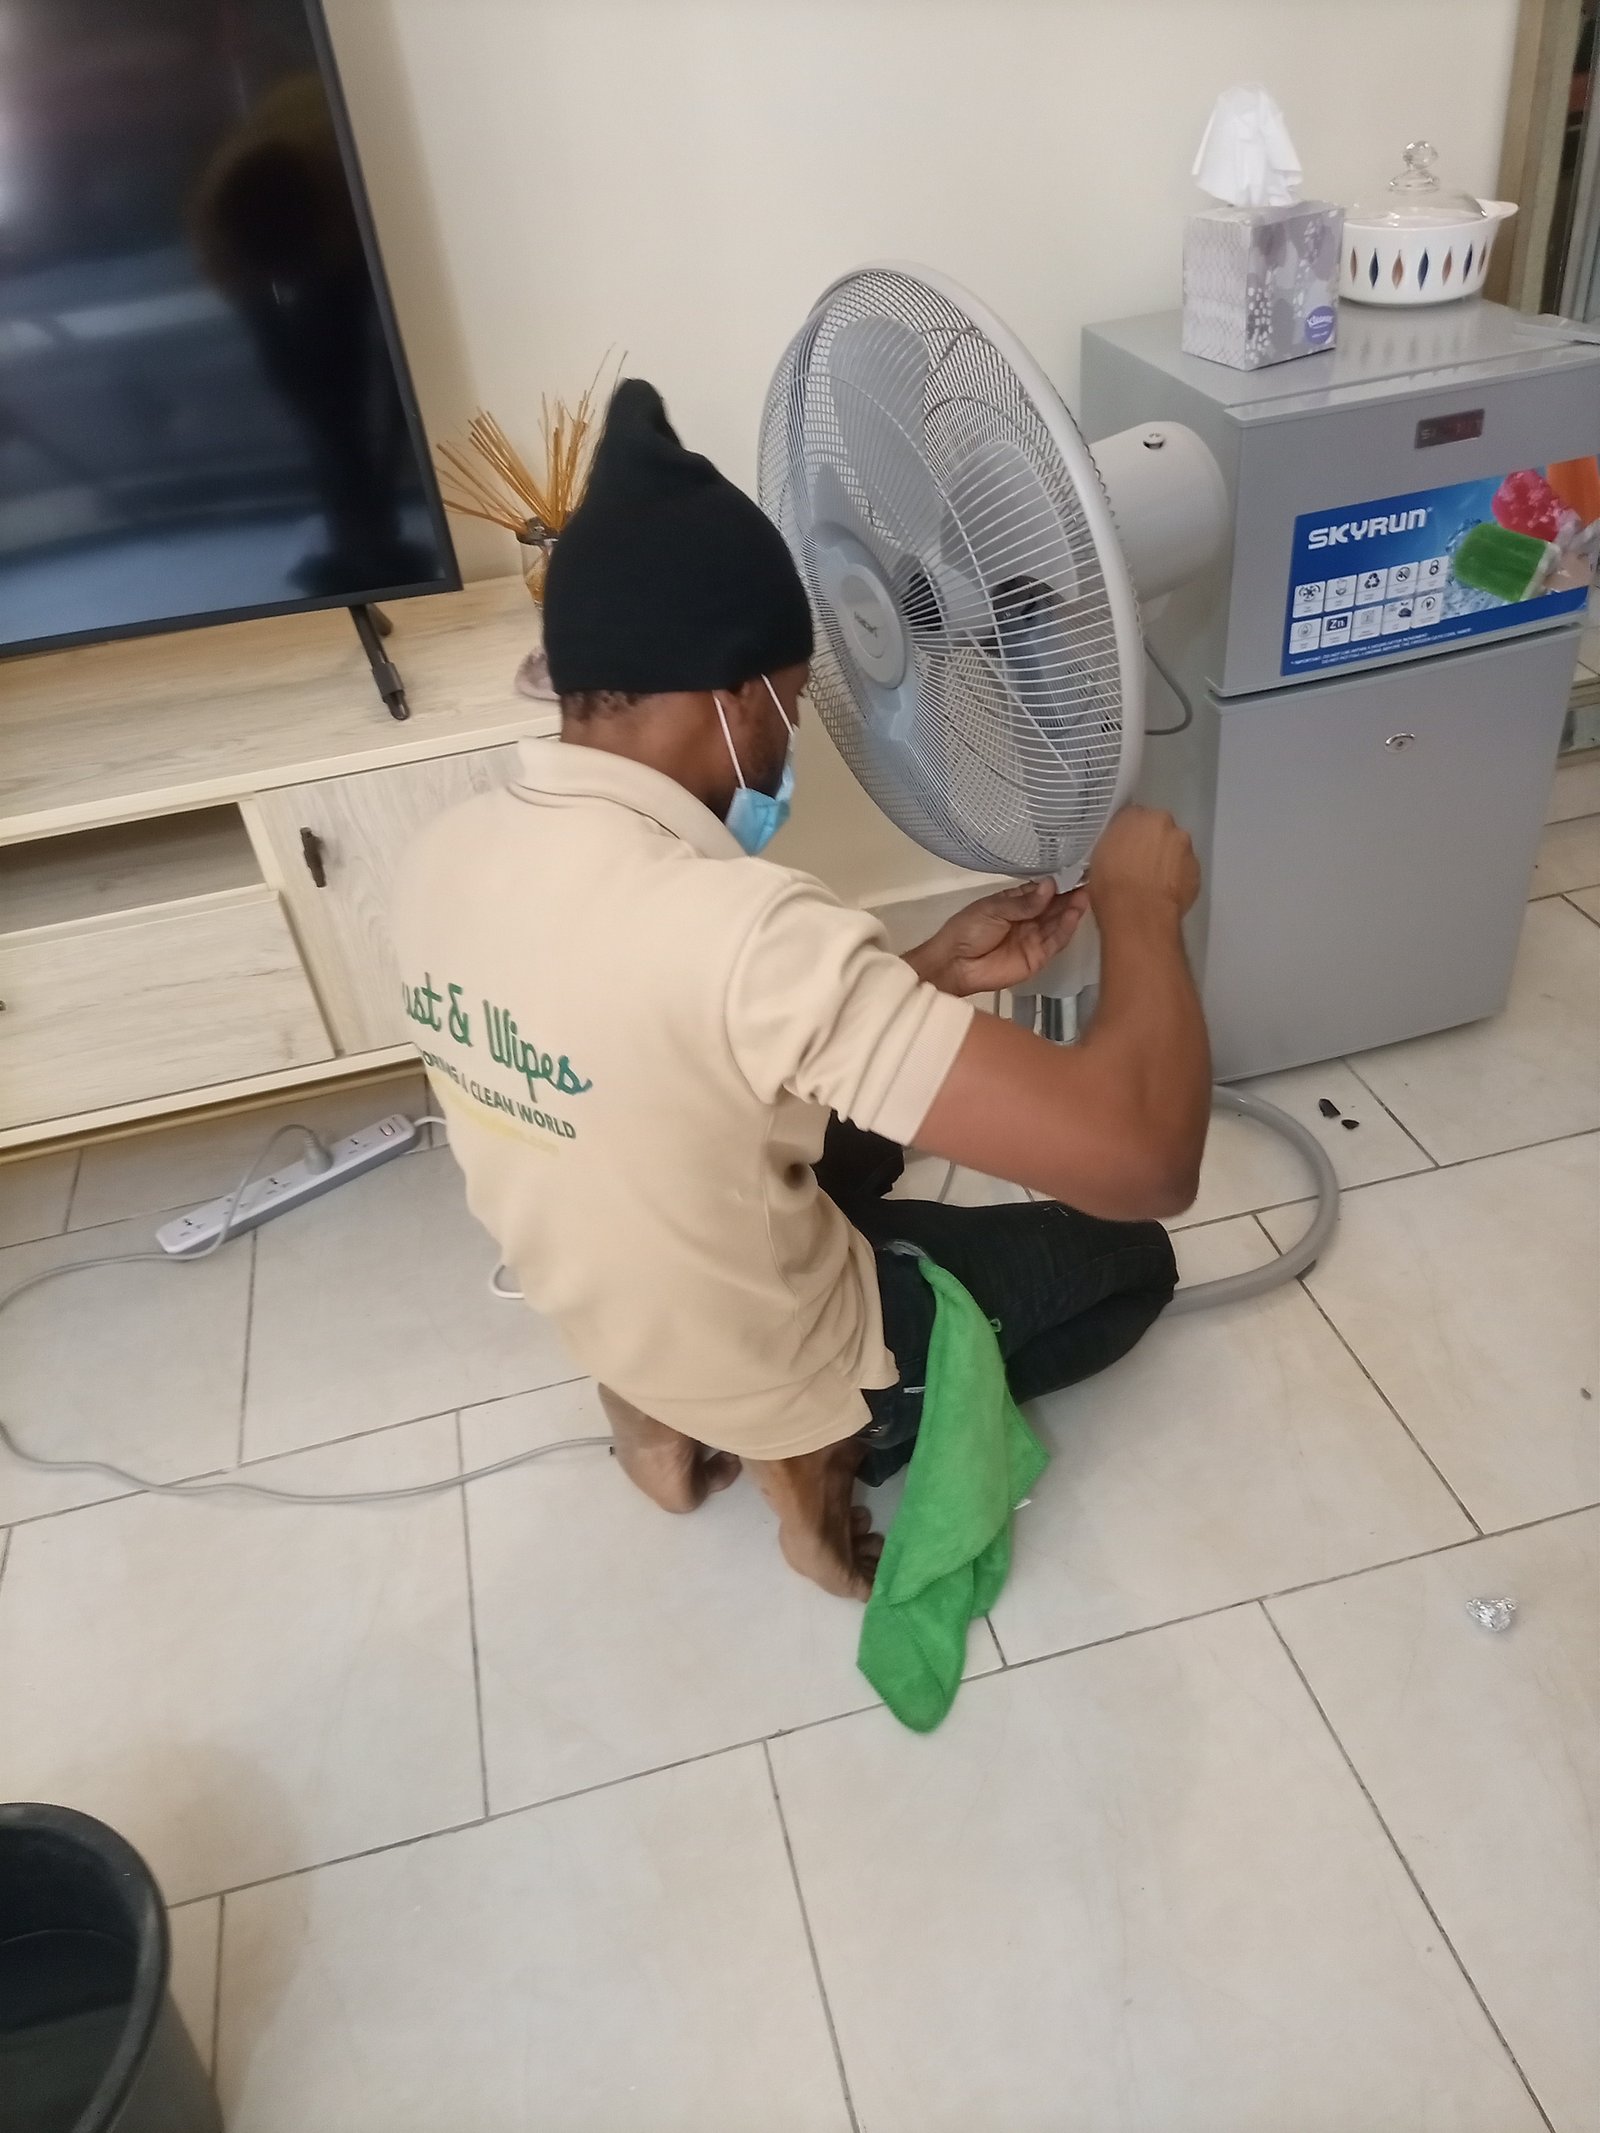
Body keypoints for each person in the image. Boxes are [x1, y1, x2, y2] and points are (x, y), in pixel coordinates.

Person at [391, 381, 1210, 1598]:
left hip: (606, 1307)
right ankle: (818, 1478)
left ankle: (654, 1421)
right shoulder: (743, 933)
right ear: (740, 699)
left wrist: (929, 975)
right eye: (790, 703)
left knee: (787, 1157)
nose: (788, 741)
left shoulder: (441, 853)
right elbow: (1147, 1158)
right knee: (1129, 1260)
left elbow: (673, 1058)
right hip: (762, 1355)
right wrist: (1143, 907)